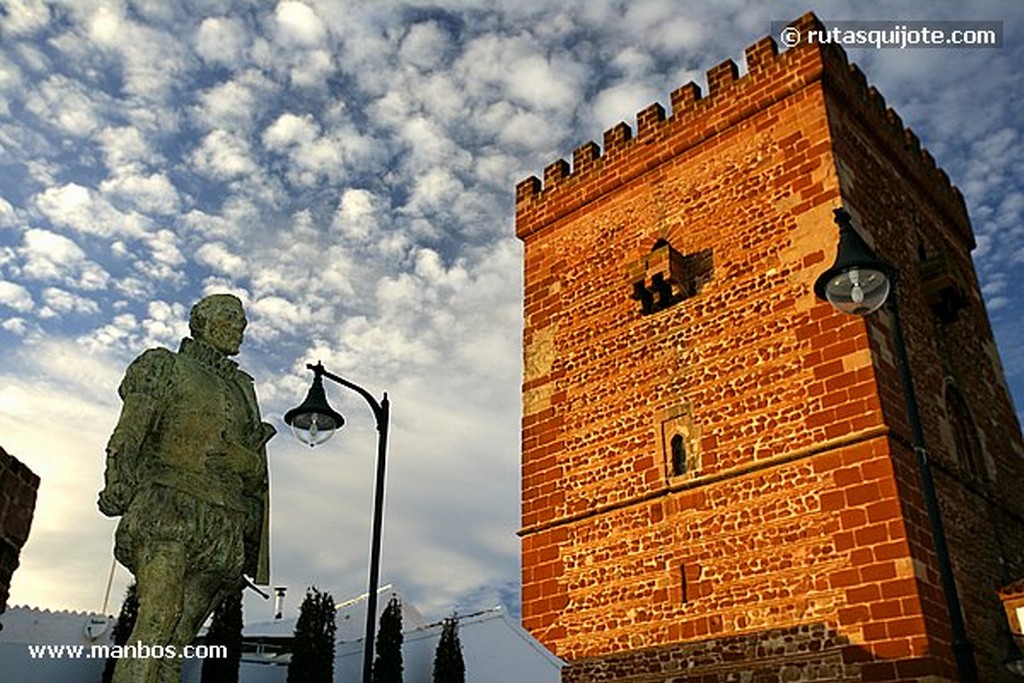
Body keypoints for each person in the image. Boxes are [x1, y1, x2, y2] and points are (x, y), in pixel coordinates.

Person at [98, 293, 274, 683]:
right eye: (229, 317)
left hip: (222, 523)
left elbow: (254, 468)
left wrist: (242, 461)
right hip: (168, 508)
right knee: (157, 620)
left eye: (242, 321)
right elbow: (128, 432)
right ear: (200, 321)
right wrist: (118, 479)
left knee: (178, 642)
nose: (239, 327)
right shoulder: (164, 365)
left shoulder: (244, 391)